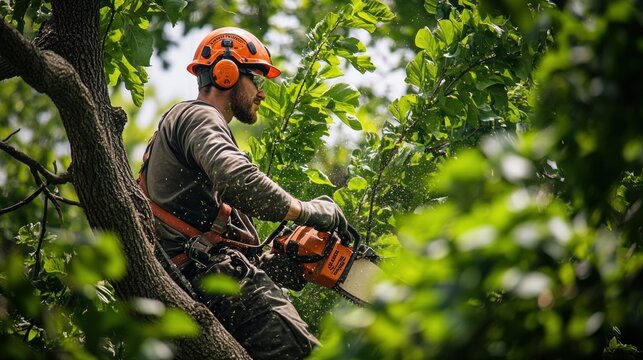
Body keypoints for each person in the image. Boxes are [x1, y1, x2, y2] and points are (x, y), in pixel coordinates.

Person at [138, 27, 348, 359]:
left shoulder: (184, 127)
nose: (262, 94)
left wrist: (271, 264)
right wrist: (307, 211)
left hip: (192, 284)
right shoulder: (198, 116)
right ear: (227, 73)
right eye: (257, 80)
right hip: (210, 280)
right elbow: (238, 179)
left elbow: (206, 227)